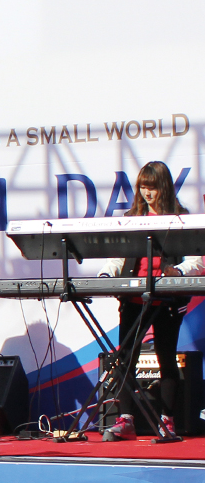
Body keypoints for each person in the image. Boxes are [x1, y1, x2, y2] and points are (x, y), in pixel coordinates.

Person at [99, 161, 203, 441]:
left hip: (168, 299)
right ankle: (126, 420)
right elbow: (118, 258)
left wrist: (177, 271)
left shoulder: (182, 218)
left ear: (164, 187)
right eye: (143, 187)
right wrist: (107, 274)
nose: (147, 193)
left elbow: (197, 259)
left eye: (152, 187)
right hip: (134, 298)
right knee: (125, 358)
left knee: (166, 357)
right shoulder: (132, 217)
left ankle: (167, 421)